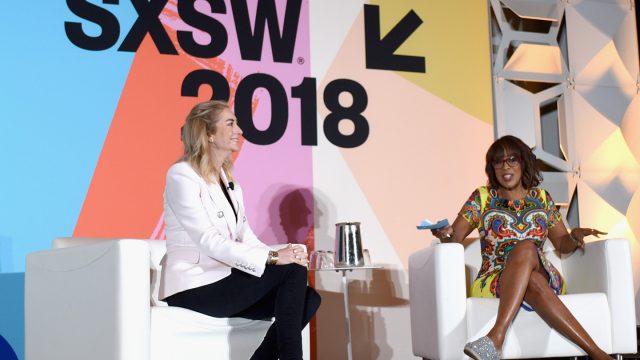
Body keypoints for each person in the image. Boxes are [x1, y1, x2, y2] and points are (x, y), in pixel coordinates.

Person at [159, 100, 321, 360]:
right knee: (292, 271)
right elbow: (208, 241)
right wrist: (276, 258)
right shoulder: (181, 175)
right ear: (209, 134)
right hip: (195, 286)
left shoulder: (228, 180)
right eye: (230, 123)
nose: (240, 130)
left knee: (310, 299)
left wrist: (283, 252)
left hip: (223, 280)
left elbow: (247, 238)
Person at [432, 135, 610, 360]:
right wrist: (445, 236)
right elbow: (454, 238)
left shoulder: (542, 198)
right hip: (494, 278)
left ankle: (495, 338)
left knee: (527, 251)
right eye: (498, 161)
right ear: (492, 168)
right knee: (531, 274)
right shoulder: (482, 197)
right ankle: (598, 354)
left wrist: (573, 237)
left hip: (544, 274)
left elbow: (561, 244)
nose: (505, 166)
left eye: (512, 160)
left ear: (523, 162)